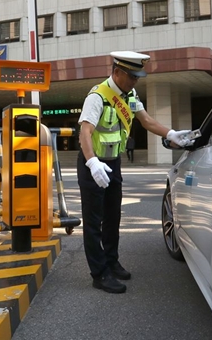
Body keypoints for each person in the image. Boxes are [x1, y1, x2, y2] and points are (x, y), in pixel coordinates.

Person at [77, 51, 193, 294]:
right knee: (93, 221)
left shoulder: (129, 95)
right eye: (132, 76)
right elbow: (85, 132)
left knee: (112, 216)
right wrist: (92, 163)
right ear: (117, 72)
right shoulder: (97, 96)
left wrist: (170, 134)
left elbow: (147, 121)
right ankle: (99, 273)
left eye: (137, 77)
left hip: (113, 163)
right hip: (93, 165)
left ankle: (111, 261)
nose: (135, 81)